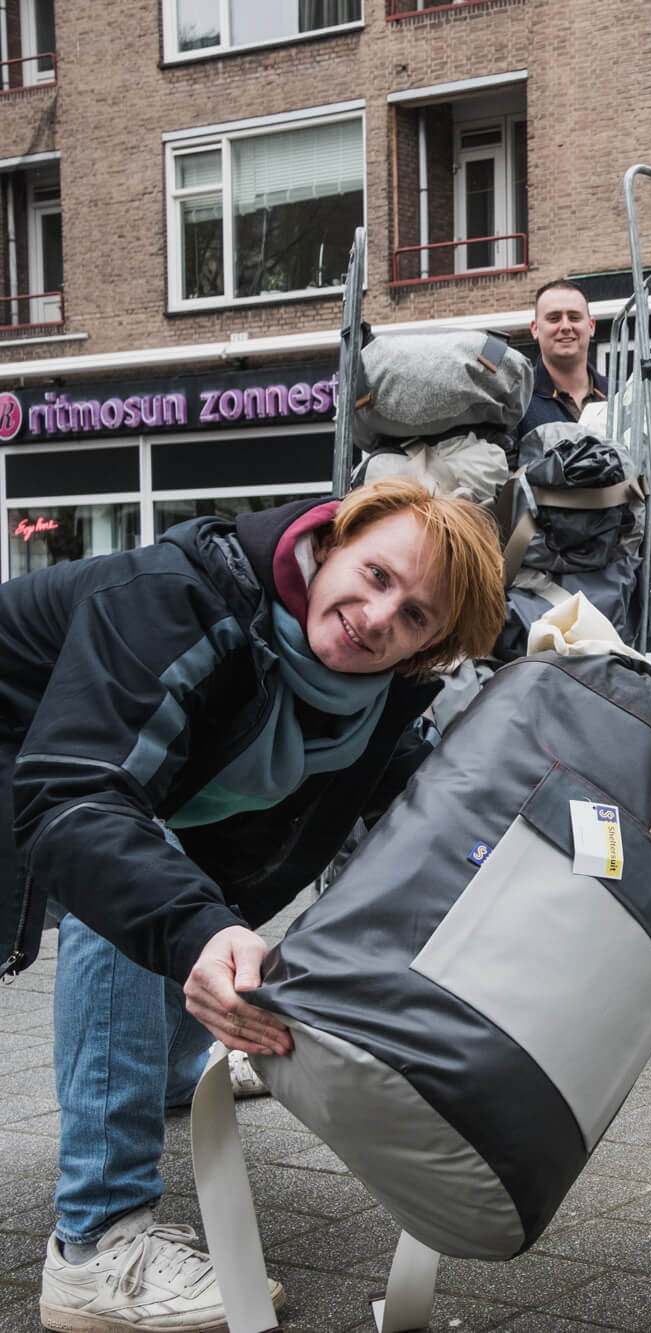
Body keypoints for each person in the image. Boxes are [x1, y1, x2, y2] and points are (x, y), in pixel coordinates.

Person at [0, 478, 505, 1332]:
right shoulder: (181, 597)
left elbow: (421, 825)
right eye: (377, 574)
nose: (380, 617)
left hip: (93, 783)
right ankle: (96, 1249)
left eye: (416, 616)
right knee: (130, 893)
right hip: (32, 750)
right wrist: (198, 929)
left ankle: (154, 1074)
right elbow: (83, 795)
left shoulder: (367, 698)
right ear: (335, 539)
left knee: (172, 880)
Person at [516, 278, 606, 433]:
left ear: (591, 326)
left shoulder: (621, 396)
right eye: (554, 318)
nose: (565, 326)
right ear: (535, 329)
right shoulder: (515, 399)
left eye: (574, 317)